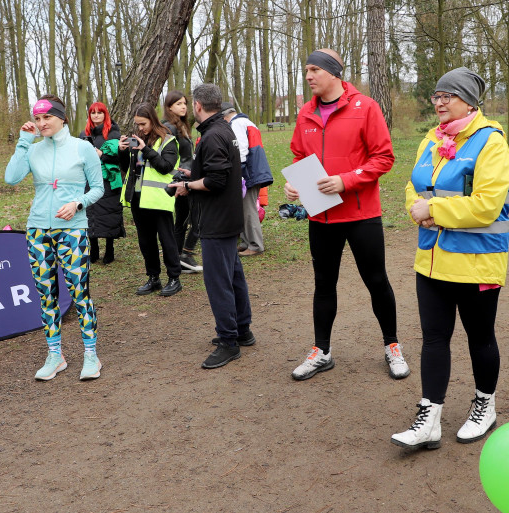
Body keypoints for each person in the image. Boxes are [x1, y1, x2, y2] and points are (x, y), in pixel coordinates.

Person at [390, 68, 509, 449]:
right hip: (430, 260)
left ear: (469, 101)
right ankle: (430, 418)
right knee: (433, 339)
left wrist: (434, 209)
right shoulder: (431, 139)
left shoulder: (491, 142)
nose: (440, 102)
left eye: (449, 96)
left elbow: (487, 206)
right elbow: (415, 185)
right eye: (436, 96)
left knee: (480, 338)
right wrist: (418, 207)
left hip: (477, 262)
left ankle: (485, 405)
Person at [284, 48, 409, 382]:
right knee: (324, 285)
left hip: (361, 215)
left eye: (314, 70)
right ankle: (321, 351)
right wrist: (294, 186)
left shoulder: (365, 107)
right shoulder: (305, 114)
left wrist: (345, 181)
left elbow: (384, 158)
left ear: (333, 73)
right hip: (320, 218)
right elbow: (299, 156)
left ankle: (392, 345)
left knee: (376, 281)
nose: (308, 76)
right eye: (306, 70)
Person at [4, 95, 104, 381]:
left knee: (79, 293)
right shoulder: (33, 150)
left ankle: (91, 356)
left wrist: (77, 204)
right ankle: (55, 355)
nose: (41, 123)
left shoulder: (82, 148)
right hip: (37, 230)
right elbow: (11, 178)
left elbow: (98, 188)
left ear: (62, 118)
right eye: (37, 118)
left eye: (46, 117)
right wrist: (23, 142)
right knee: (46, 294)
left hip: (73, 229)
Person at [168, 83, 253, 369]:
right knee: (234, 276)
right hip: (228, 217)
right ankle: (243, 331)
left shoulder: (214, 134)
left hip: (217, 220)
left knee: (219, 282)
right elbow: (220, 171)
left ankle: (229, 341)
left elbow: (216, 181)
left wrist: (186, 185)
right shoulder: (224, 129)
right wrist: (194, 173)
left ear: (198, 106)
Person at [118, 103, 183, 297]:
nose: (140, 128)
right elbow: (127, 168)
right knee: (146, 242)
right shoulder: (137, 139)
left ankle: (174, 279)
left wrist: (145, 149)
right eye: (137, 124)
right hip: (138, 199)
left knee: (166, 240)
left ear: (152, 120)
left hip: (158, 199)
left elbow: (165, 166)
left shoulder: (168, 140)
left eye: (143, 124)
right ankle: (153, 277)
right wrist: (122, 151)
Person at [221, 101, 273, 256]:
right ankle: (245, 242)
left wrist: (236, 173)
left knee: (248, 209)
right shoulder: (246, 122)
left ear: (225, 116)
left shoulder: (236, 124)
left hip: (247, 172)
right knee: (243, 209)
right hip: (254, 171)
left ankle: (255, 245)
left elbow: (241, 151)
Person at [80, 102, 125, 264]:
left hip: (108, 180)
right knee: (90, 212)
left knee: (108, 213)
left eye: (100, 112)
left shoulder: (113, 134)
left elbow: (121, 158)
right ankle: (94, 249)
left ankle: (110, 249)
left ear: (105, 115)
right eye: (93, 113)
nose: (96, 115)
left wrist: (102, 155)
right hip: (88, 179)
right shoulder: (83, 134)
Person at [163, 90, 203, 274]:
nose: (184, 106)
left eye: (185, 103)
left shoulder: (182, 126)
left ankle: (179, 257)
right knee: (194, 220)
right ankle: (184, 254)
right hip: (181, 180)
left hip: (188, 177)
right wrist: (177, 182)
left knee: (183, 220)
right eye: (178, 103)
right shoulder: (169, 128)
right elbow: (169, 158)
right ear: (169, 106)